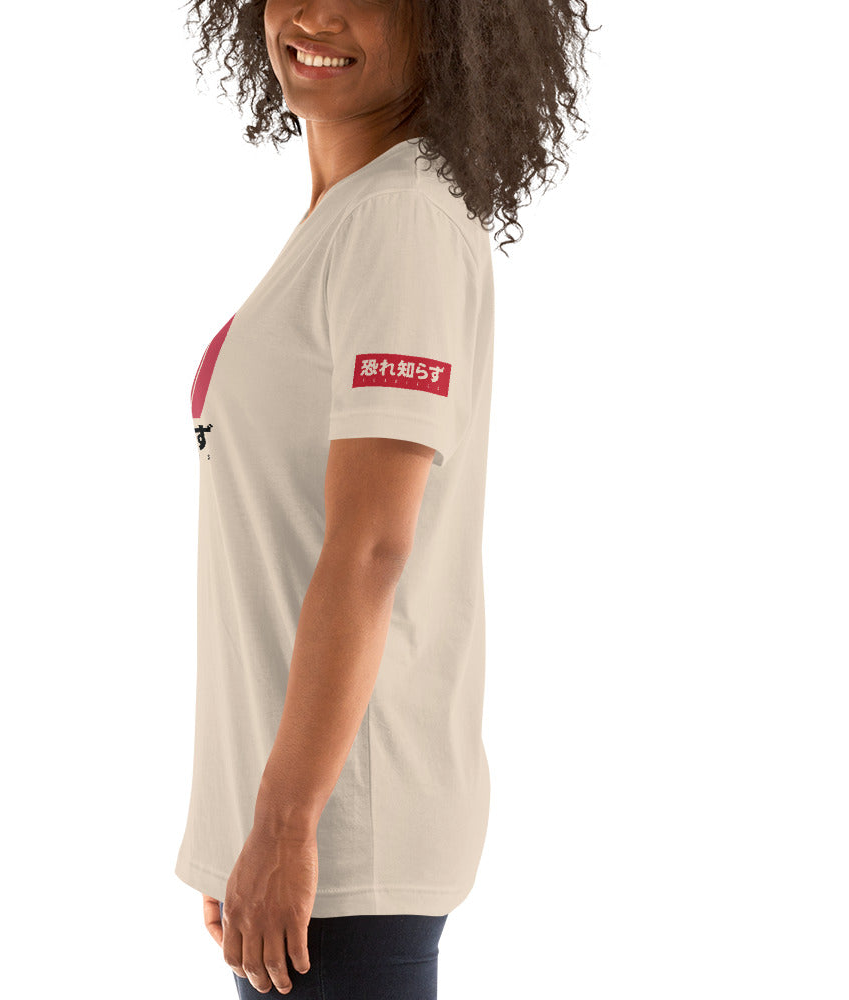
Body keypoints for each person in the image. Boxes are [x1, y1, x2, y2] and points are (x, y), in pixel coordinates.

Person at [175, 0, 599, 995]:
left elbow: (372, 546)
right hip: (312, 832)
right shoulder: (355, 212)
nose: (315, 12)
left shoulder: (398, 220)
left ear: (449, 23)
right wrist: (246, 821)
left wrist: (285, 824)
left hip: (343, 835)